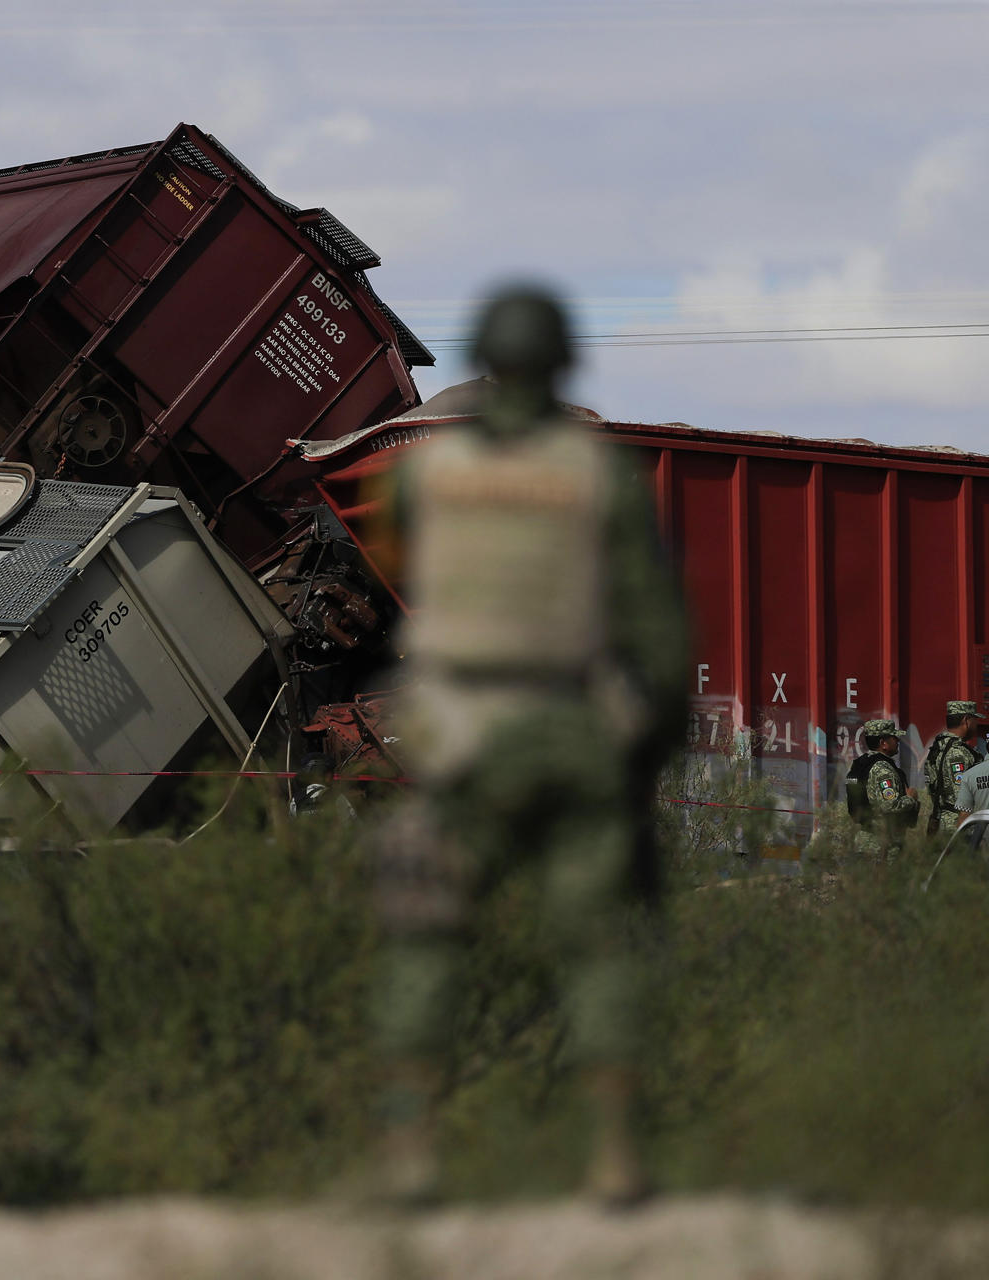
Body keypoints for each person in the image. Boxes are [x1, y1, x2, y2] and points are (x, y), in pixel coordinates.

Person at [368, 284, 688, 1205]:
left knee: (424, 940)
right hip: (574, 729)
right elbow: (658, 633)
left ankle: (411, 1153)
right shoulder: (599, 477)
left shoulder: (418, 474)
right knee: (596, 947)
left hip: (464, 737)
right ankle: (617, 1157)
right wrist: (649, 756)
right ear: (560, 364)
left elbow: (403, 561)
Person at [845, 721, 917, 860]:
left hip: (865, 840)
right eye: (894, 738)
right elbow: (889, 805)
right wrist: (911, 798)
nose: (897, 741)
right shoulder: (883, 770)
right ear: (883, 743)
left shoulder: (863, 763)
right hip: (884, 845)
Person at [922, 701, 982, 837]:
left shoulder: (939, 747)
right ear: (966, 720)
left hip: (942, 820)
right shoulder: (957, 754)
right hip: (959, 826)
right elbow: (960, 797)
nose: (976, 725)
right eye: (974, 720)